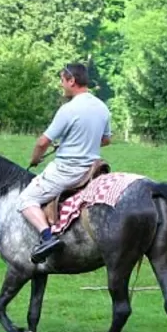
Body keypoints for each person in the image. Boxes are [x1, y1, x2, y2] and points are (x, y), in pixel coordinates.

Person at [18, 63, 112, 263]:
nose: (61, 85)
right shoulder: (102, 107)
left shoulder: (68, 109)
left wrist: (35, 159)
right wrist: (81, 142)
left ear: (72, 81)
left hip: (67, 171)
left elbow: (43, 141)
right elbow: (106, 140)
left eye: (62, 80)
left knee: (25, 199)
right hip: (92, 169)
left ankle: (47, 237)